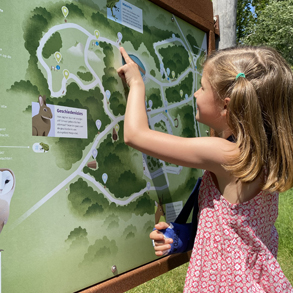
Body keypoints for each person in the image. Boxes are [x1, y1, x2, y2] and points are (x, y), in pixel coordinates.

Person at [117, 45, 293, 292]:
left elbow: (135, 135)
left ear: (226, 106)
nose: (195, 94)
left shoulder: (226, 154)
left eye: (202, 87)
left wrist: (136, 84)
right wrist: (187, 235)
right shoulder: (263, 157)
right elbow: (238, 230)